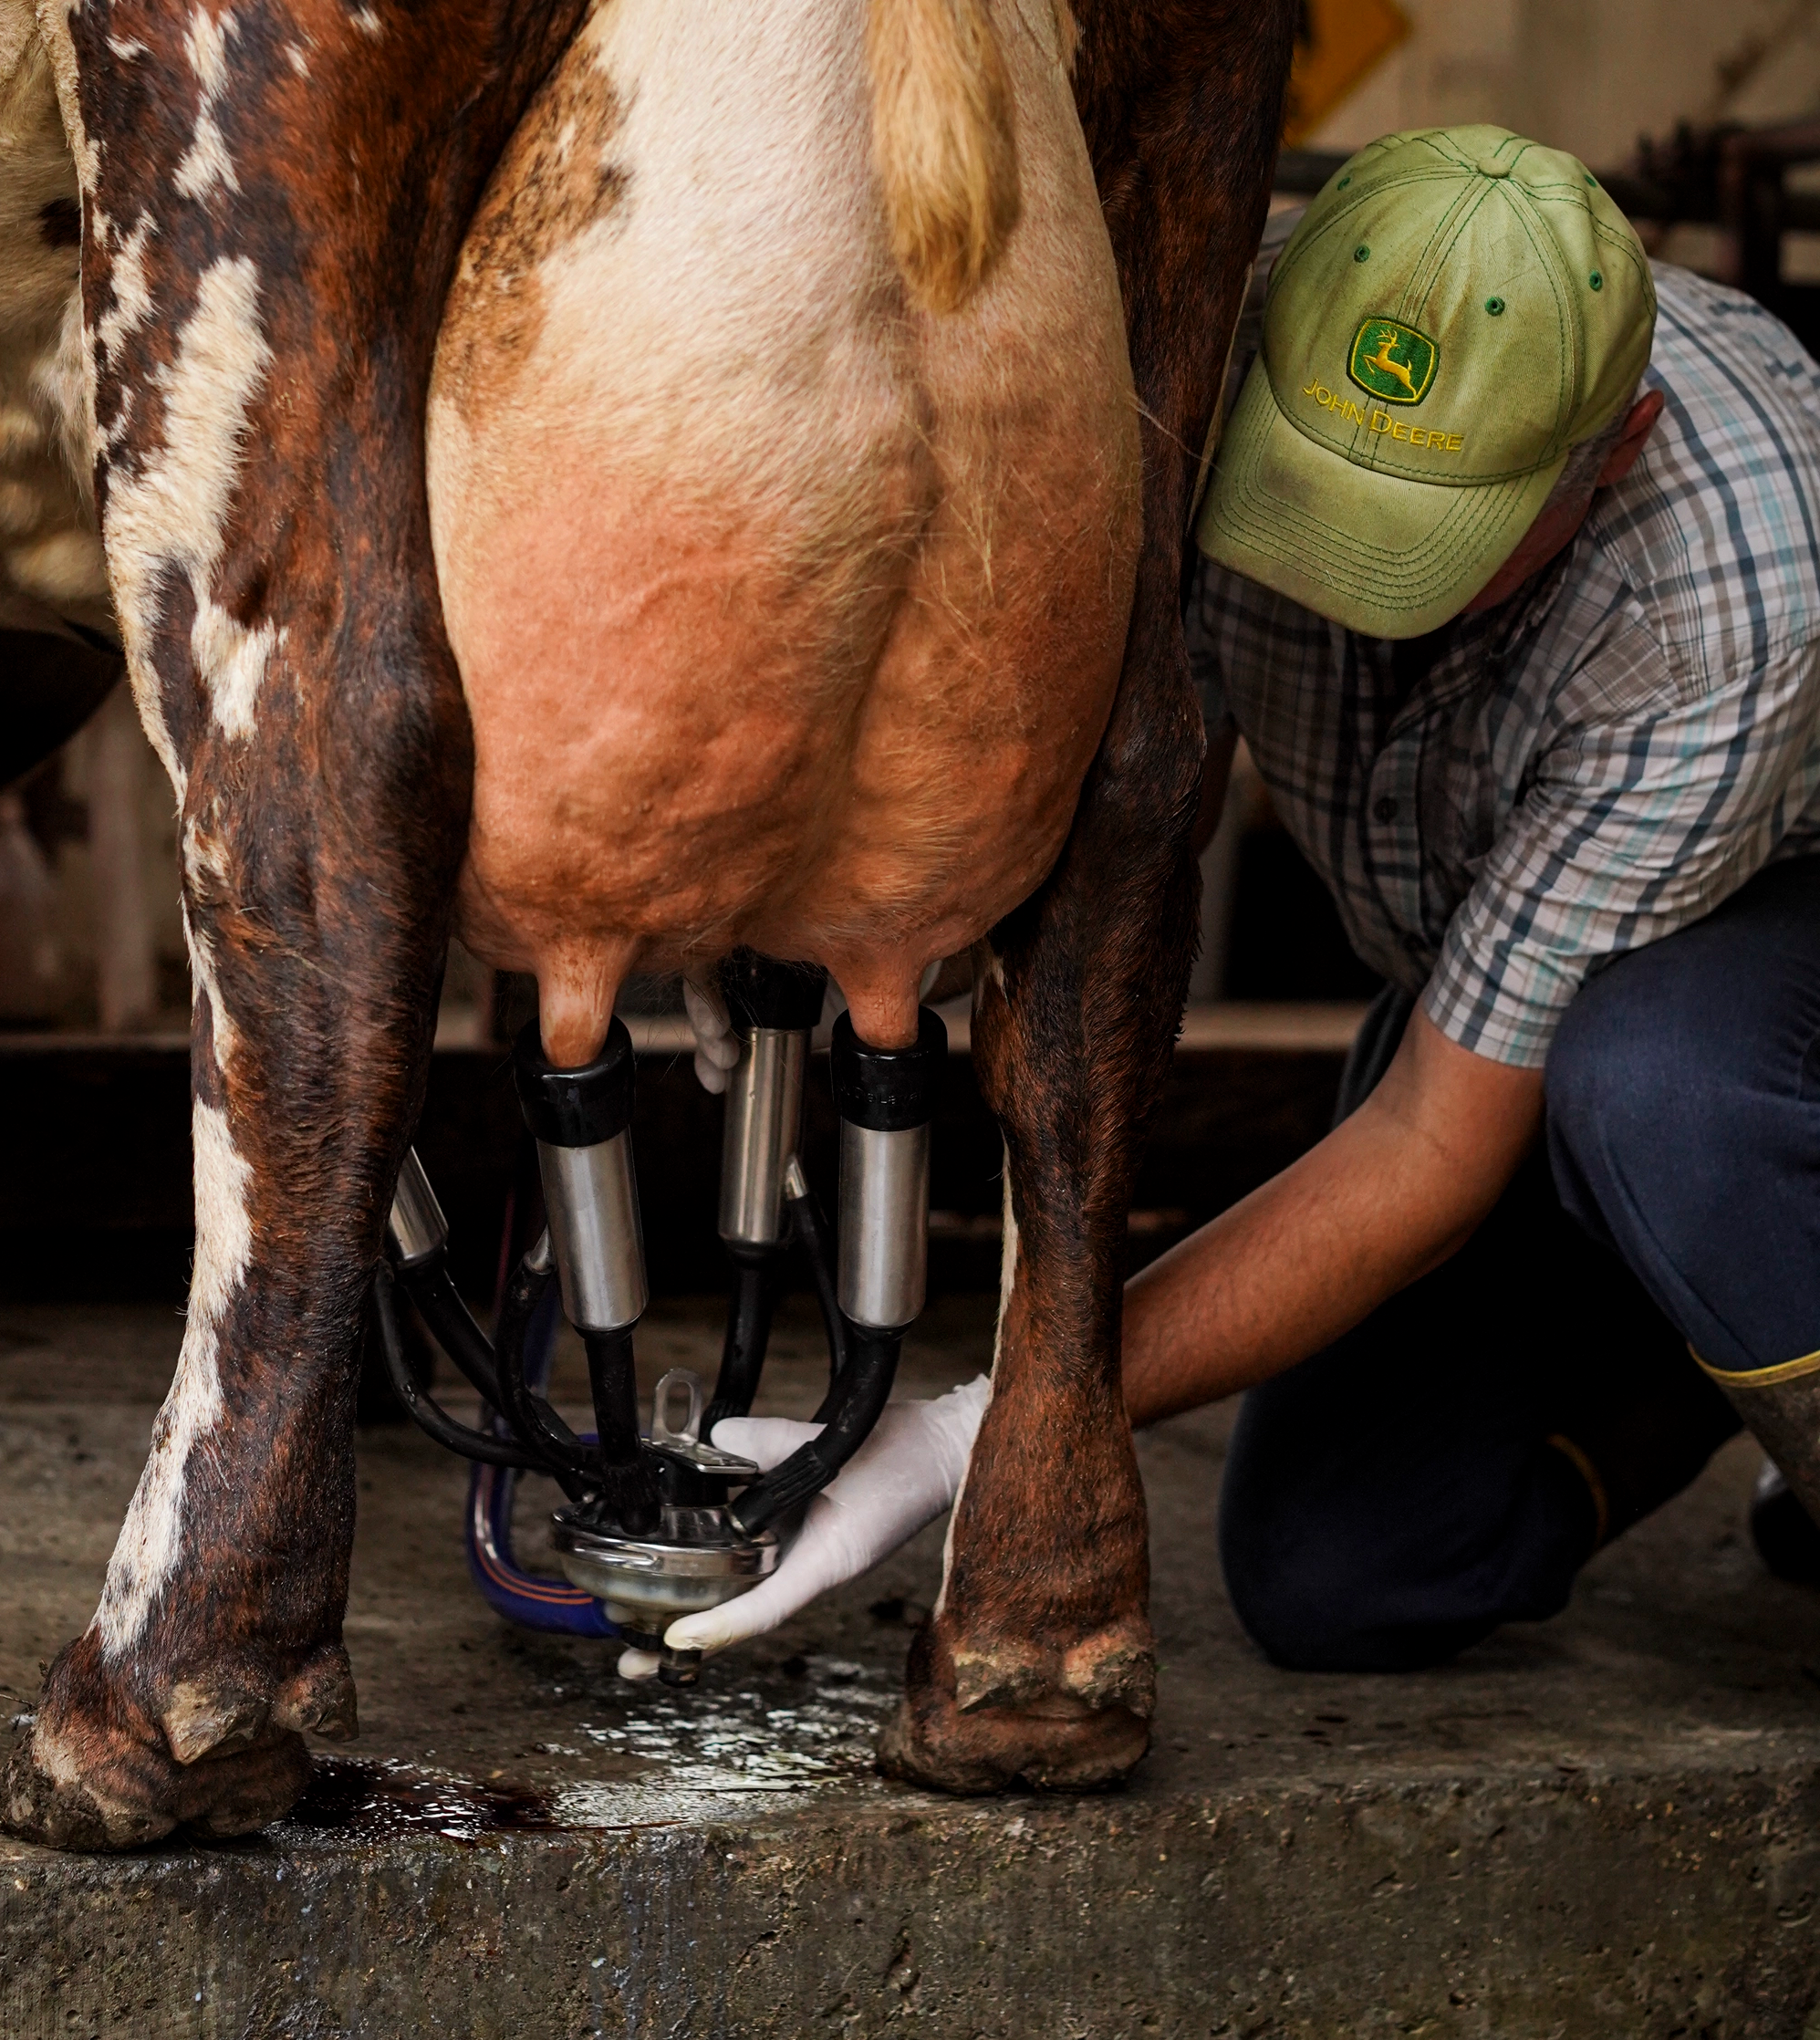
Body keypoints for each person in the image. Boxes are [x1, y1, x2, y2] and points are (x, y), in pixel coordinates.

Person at [651, 124, 1820, 1680]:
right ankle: (1704, 1352)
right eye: (1316, 497)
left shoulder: (1726, 576)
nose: (1336, 574)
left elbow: (1430, 1139)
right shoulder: (1221, 337)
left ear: (1614, 450)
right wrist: (791, 900)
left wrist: (982, 1418)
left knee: (1655, 1082)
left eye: (1422, 542)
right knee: (1339, 1568)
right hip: (1529, 972)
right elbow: (1119, 798)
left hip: (1756, 1013)